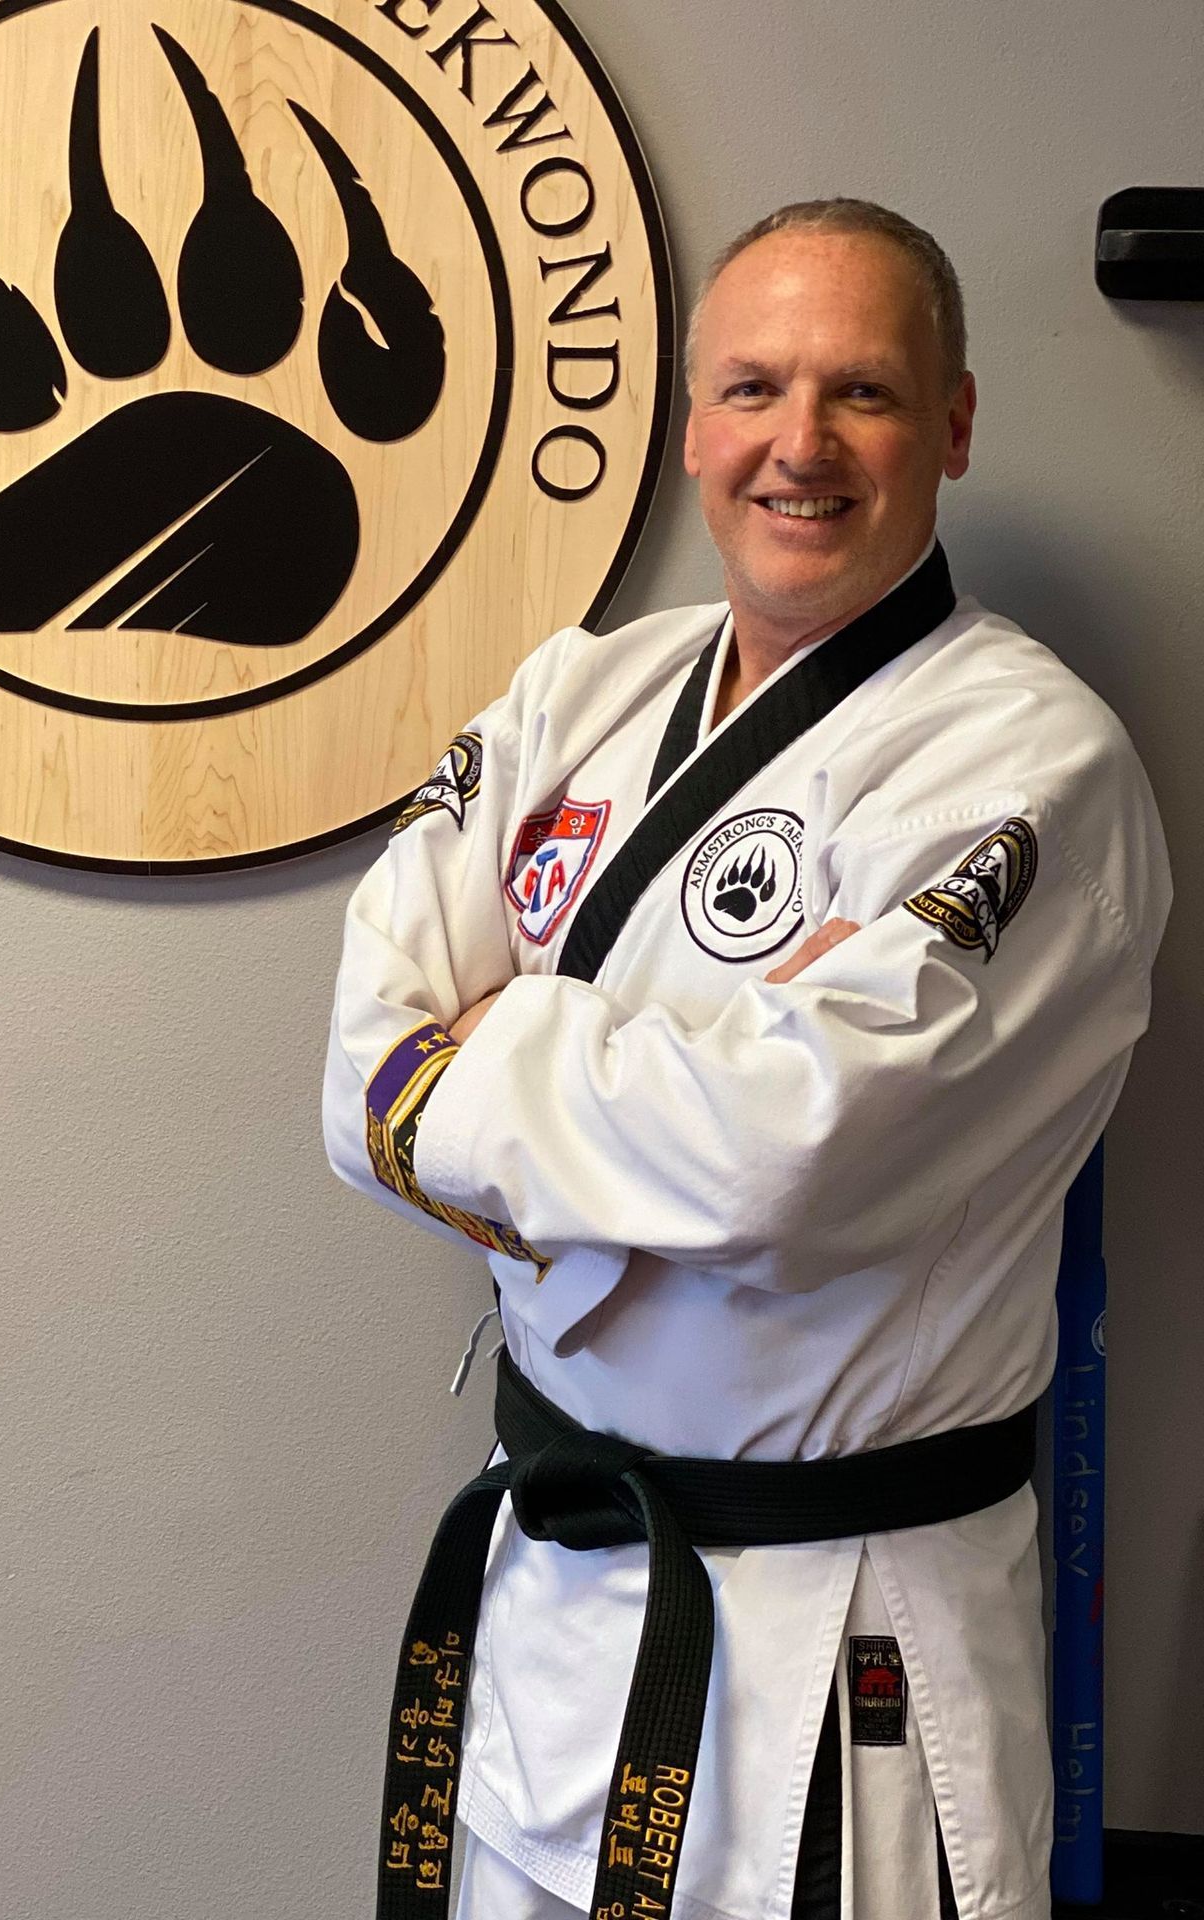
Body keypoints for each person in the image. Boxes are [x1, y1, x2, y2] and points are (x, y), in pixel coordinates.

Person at [322, 199, 1171, 1920]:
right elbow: (360, 1076)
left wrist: (515, 1047)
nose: (800, 445)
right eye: (755, 389)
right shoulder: (581, 690)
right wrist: (668, 1060)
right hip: (553, 1586)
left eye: (861, 392)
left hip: (838, 1639)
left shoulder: (1030, 770)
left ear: (951, 425)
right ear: (691, 421)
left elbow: (785, 1155)